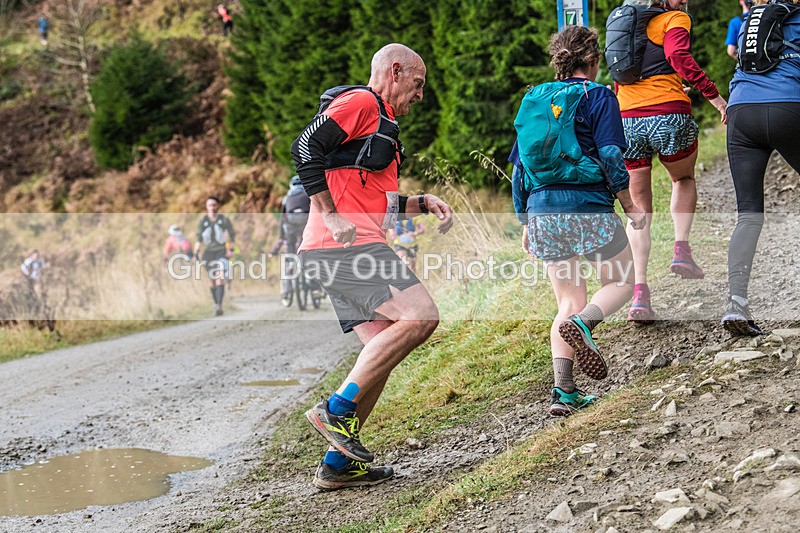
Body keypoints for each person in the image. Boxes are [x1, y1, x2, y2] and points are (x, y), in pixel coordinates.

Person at [290, 43, 453, 490]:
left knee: (379, 353)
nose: (420, 96)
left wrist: (420, 202)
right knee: (423, 316)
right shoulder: (364, 102)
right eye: (418, 84)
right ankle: (335, 411)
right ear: (395, 71)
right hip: (344, 244)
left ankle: (337, 465)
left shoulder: (383, 125)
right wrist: (330, 214)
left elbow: (370, 195)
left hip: (335, 248)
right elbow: (305, 146)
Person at [512, 26, 645, 417]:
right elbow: (609, 156)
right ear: (594, 59)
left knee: (567, 301)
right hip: (587, 208)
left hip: (542, 212)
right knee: (621, 280)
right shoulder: (598, 95)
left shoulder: (534, 98)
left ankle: (564, 391)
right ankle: (586, 324)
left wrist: (524, 220)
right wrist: (630, 204)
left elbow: (520, 170)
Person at [616, 0, 728, 324]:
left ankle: (640, 293)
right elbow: (678, 56)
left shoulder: (626, 24)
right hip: (668, 115)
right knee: (683, 179)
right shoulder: (674, 19)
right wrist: (715, 96)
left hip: (627, 120)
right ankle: (681, 250)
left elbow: (622, 75)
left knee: (639, 207)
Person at [722, 0, 800, 336]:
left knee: (749, 214)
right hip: (787, 108)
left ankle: (736, 302)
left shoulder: (750, 21)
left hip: (741, 114)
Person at [194, 196, 236, 316]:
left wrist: (230, 249)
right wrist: (196, 251)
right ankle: (216, 303)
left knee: (220, 276)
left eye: (214, 205)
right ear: (206, 207)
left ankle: (219, 305)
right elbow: (198, 238)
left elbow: (231, 235)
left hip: (221, 251)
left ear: (217, 206)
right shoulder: (203, 221)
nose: (212, 207)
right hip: (208, 253)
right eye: (210, 205)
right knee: (212, 280)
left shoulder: (224, 220)